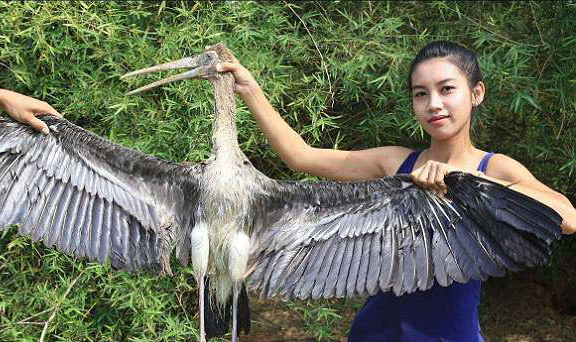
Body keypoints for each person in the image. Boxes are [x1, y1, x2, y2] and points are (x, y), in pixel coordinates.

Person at [215, 41, 576, 341]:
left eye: (447, 89)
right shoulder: (397, 163)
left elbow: (568, 217)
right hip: (377, 331)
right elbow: (301, 156)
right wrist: (249, 88)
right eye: (421, 94)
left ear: (476, 93)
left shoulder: (493, 168)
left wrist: (465, 181)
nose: (434, 103)